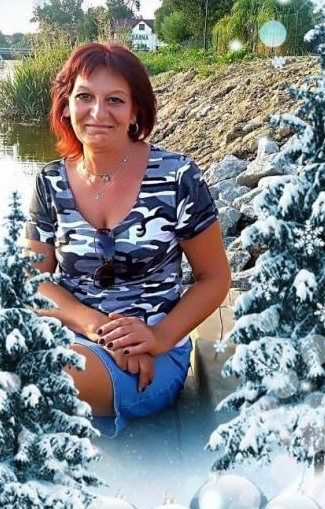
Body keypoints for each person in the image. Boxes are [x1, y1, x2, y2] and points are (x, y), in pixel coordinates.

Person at [23, 42, 231, 437]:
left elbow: (215, 277)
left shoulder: (176, 177)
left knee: (41, 376)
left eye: (115, 100)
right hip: (71, 332)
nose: (98, 112)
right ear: (66, 105)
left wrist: (158, 337)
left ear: (135, 111)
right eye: (85, 97)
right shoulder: (50, 181)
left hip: (152, 353)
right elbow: (34, 282)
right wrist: (98, 327)